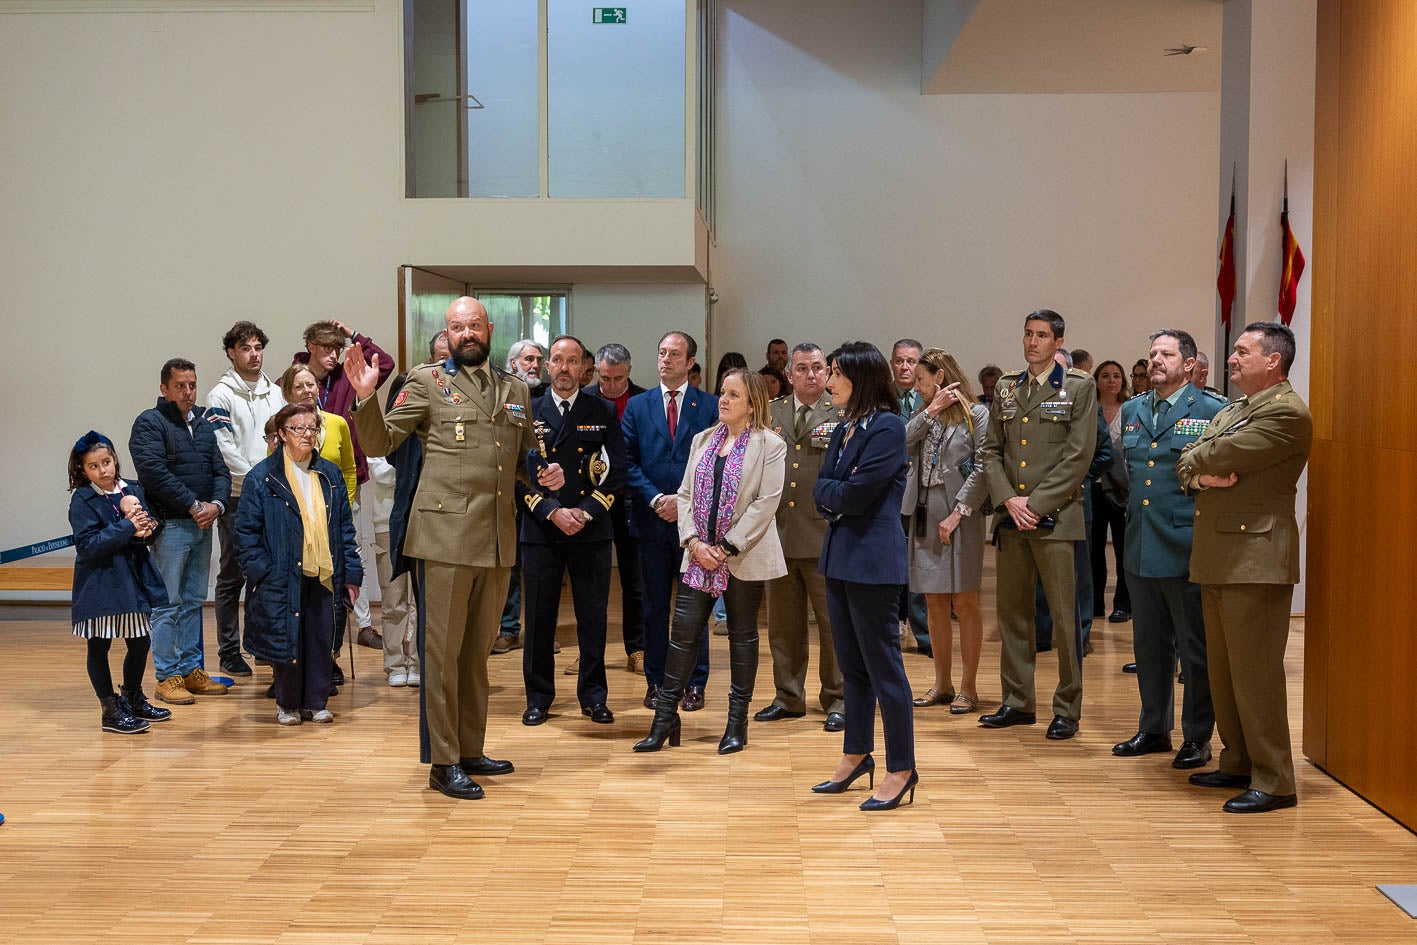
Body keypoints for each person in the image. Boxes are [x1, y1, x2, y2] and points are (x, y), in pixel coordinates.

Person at [347, 296, 561, 800]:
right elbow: (381, 443)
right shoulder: (426, 382)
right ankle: (442, 763)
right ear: (448, 334)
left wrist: (542, 470)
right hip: (443, 540)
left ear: (488, 329)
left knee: (476, 655)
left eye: (473, 326)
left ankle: (469, 748)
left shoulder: (514, 390)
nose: (466, 334)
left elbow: (521, 454)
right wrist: (365, 399)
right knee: (441, 657)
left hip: (496, 539)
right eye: (456, 327)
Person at [1177, 321, 1311, 814]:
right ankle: (1237, 760)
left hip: (1256, 559)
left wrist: (1197, 463)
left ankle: (1275, 779)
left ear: (1273, 359)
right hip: (1219, 555)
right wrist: (1199, 472)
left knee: (1255, 675)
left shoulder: (1286, 413)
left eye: (1241, 351)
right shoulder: (1238, 410)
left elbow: (1214, 452)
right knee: (1223, 671)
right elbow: (1186, 461)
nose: (1231, 358)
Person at [634, 369, 786, 754]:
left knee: (741, 636)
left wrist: (727, 546)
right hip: (698, 555)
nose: (723, 400)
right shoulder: (703, 440)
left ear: (752, 405)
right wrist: (693, 541)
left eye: (733, 395)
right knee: (682, 634)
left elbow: (765, 503)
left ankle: (737, 723)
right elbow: (684, 495)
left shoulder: (769, 445)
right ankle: (665, 717)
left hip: (741, 557)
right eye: (722, 393)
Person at [976, 311, 1096, 741]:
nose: (1032, 342)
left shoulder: (1079, 387)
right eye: (1028, 334)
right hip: (1012, 518)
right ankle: (1017, 700)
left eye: (1042, 335)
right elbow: (990, 451)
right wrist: (1009, 498)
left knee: (1065, 619)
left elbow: (1079, 456)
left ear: (1058, 341)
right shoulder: (1009, 386)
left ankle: (1066, 706)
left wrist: (1037, 504)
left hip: (1056, 519)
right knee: (1012, 615)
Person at [809, 342, 916, 811]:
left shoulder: (888, 427)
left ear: (860, 377)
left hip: (873, 562)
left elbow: (854, 495)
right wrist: (835, 490)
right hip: (840, 557)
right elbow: (822, 487)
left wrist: (835, 491)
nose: (827, 381)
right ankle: (856, 753)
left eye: (834, 373)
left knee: (884, 668)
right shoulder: (848, 426)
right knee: (851, 666)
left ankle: (902, 767)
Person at [1112, 329, 1224, 771]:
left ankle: (1197, 737)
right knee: (1149, 647)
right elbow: (1128, 470)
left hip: (1186, 547)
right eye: (1153, 352)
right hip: (1140, 544)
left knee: (1195, 651)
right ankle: (1153, 728)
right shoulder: (1133, 408)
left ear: (1190, 364)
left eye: (1167, 354)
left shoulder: (1212, 410)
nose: (1156, 359)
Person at [518, 336, 627, 727]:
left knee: (593, 617)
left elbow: (617, 474)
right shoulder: (528, 411)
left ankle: (594, 696)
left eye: (573, 361)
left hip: (590, 530)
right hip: (541, 530)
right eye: (558, 360)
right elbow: (516, 475)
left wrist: (583, 513)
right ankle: (538, 697)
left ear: (585, 369)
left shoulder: (602, 410)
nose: (565, 368)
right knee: (540, 618)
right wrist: (551, 511)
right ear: (547, 367)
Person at [236, 403, 362, 726]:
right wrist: (261, 571)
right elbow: (246, 534)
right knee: (287, 638)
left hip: (323, 571)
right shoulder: (262, 477)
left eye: (312, 429)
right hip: (279, 572)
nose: (307, 435)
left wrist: (351, 573)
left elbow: (345, 529)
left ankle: (316, 701)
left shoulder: (330, 474)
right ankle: (287, 703)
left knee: (320, 636)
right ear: (281, 433)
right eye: (298, 429)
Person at [622, 331, 720, 711]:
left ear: (690, 362)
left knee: (694, 607)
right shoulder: (638, 405)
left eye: (674, 354)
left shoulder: (709, 406)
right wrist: (656, 498)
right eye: (662, 352)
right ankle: (657, 682)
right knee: (654, 608)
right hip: (651, 522)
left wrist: (684, 504)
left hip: (694, 525)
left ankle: (695, 683)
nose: (666, 360)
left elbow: (714, 462)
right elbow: (627, 461)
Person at [129, 358, 231, 705]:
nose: (188, 392)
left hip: (202, 524)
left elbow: (220, 468)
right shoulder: (149, 423)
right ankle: (166, 675)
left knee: (192, 601)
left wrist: (217, 504)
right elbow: (153, 472)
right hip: (172, 525)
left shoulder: (203, 421)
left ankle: (191, 671)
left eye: (192, 385)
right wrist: (192, 504)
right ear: (164, 389)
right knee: (167, 604)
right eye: (180, 386)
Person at [758, 343, 846, 732]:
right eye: (802, 369)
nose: (811, 375)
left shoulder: (841, 413)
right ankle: (788, 696)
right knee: (783, 624)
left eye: (817, 368)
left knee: (833, 625)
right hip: (777, 533)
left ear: (827, 373)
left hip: (825, 534)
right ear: (788, 375)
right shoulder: (770, 412)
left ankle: (839, 698)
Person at [293, 320, 394, 651]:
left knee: (354, 553)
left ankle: (363, 623)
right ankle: (312, 626)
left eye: (338, 348)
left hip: (348, 481)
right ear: (310, 346)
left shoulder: (348, 377)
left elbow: (386, 363)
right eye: (326, 348)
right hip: (303, 487)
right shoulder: (291, 380)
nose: (334, 355)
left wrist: (354, 336)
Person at [67, 431, 173, 734]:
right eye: (94, 466)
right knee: (99, 645)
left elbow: (150, 526)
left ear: (115, 460)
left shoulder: (133, 489)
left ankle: (133, 696)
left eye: (107, 462)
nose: (103, 470)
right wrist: (127, 526)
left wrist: (148, 527)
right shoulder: (83, 499)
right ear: (82, 471)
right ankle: (109, 709)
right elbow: (88, 545)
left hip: (133, 580)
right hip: (101, 582)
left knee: (140, 642)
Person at [903, 348, 989, 716]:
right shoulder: (924, 414)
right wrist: (930, 410)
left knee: (963, 601)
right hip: (924, 510)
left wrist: (958, 513)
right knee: (933, 600)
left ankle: (968, 687)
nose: (917, 386)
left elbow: (984, 465)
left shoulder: (977, 414)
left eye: (921, 379)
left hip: (961, 512)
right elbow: (901, 443)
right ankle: (942, 683)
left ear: (939, 377)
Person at [207, 321, 285, 677]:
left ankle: (261, 645)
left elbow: (283, 437)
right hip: (239, 497)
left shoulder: (274, 392)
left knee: (266, 574)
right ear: (231, 353)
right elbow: (224, 449)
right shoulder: (219, 395)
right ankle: (228, 651)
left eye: (257, 348)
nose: (254, 355)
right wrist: (257, 479)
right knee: (233, 575)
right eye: (246, 349)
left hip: (274, 494)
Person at [584, 342, 648, 672]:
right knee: (592, 582)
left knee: (634, 580)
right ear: (596, 372)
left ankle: (637, 648)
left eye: (618, 379)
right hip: (593, 501)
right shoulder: (585, 401)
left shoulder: (644, 400)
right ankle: (589, 652)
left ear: (629, 372)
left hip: (631, 499)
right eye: (605, 378)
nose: (610, 386)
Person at [889, 338, 931, 654]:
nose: (905, 367)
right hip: (889, 488)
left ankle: (924, 633)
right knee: (892, 558)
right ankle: (893, 623)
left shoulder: (929, 398)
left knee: (919, 560)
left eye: (911, 361)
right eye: (900, 361)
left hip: (922, 488)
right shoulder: (881, 398)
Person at [1091, 359, 1132, 623]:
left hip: (1121, 488)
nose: (1111, 380)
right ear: (1096, 381)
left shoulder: (1131, 409)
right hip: (1093, 487)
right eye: (1105, 375)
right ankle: (1093, 603)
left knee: (1123, 548)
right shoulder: (1088, 408)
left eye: (1116, 375)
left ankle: (1123, 605)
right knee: (1093, 550)